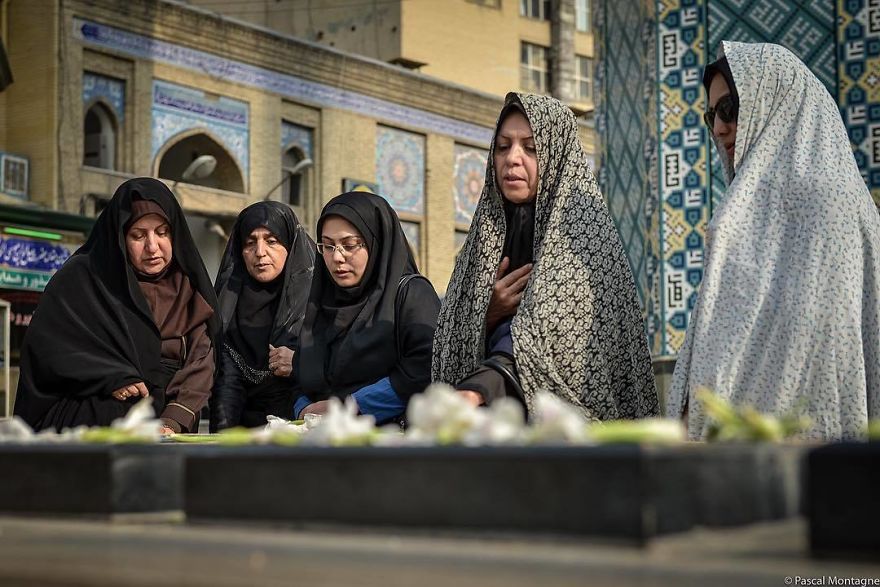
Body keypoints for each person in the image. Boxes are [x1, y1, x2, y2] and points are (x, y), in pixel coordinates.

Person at [666, 41, 880, 440]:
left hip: (796, 454)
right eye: (711, 115)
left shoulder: (829, 204)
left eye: (730, 109)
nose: (719, 128)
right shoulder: (750, 205)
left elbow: (825, 351)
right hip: (736, 450)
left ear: (773, 98)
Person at [432, 92, 658, 420]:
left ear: (555, 152)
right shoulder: (484, 236)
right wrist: (488, 314)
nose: (512, 159)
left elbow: (564, 341)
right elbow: (449, 337)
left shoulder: (581, 227)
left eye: (532, 148)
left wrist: (480, 387)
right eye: (502, 146)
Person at [13, 177, 219, 433]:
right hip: (88, 423)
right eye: (138, 235)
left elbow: (200, 363)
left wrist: (174, 419)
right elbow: (48, 350)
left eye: (162, 232)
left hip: (161, 430)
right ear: (120, 237)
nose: (152, 247)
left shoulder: (187, 291)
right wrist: (108, 375)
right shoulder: (83, 278)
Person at [293, 191, 440, 423]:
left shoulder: (411, 294)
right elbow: (300, 377)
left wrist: (352, 406)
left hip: (388, 448)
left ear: (377, 242)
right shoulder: (321, 303)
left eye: (349, 245)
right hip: (323, 445)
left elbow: (425, 368)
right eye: (328, 246)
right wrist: (303, 410)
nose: (337, 257)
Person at [210, 201, 315, 430]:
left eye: (271, 241)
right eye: (250, 243)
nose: (259, 252)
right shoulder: (227, 305)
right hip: (236, 436)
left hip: (297, 431)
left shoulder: (317, 302)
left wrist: (299, 362)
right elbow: (225, 388)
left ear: (290, 245)